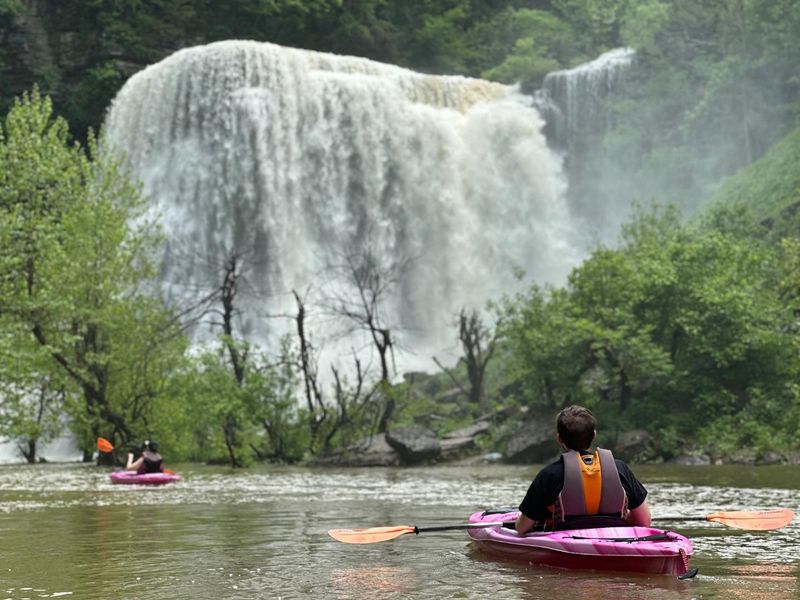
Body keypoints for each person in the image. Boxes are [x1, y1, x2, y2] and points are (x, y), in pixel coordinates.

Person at [515, 405, 652, 534]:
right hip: (617, 539)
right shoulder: (620, 469)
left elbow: (522, 528)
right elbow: (644, 521)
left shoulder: (549, 475)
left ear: (559, 438)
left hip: (566, 543)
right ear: (594, 435)